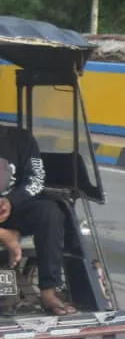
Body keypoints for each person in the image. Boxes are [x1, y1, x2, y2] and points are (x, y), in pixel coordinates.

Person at [0, 125, 74, 315]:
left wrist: (11, 201)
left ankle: (48, 292)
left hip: (11, 210)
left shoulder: (18, 138)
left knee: (50, 211)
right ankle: (7, 236)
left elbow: (35, 180)